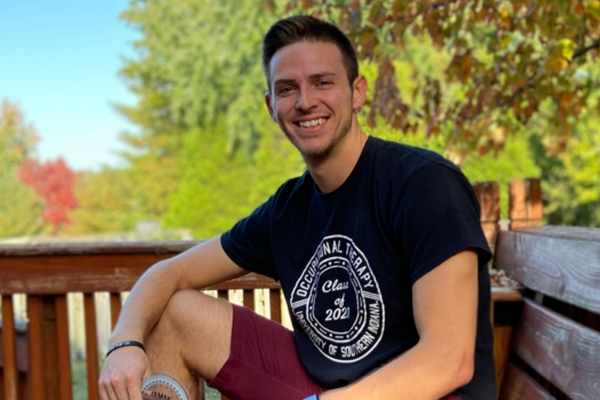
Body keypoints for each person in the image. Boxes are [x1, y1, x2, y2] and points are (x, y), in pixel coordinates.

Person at [99, 15, 496, 400]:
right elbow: (168, 273)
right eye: (287, 89)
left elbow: (448, 361)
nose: (306, 102)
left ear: (358, 91)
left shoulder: (423, 183)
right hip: (325, 388)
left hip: (424, 393)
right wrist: (122, 345)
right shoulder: (287, 210)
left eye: (322, 82)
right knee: (174, 313)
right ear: (271, 105)